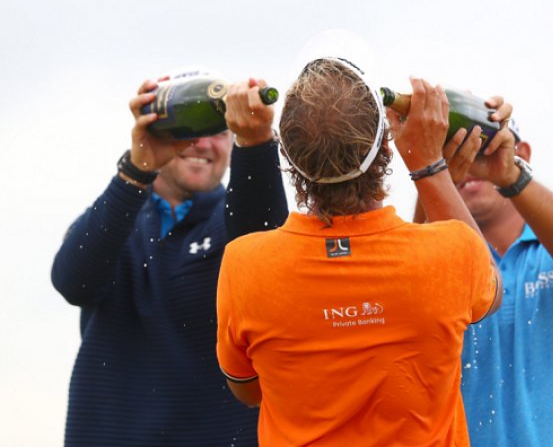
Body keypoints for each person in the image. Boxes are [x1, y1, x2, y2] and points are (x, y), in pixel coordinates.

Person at [216, 57, 512, 446]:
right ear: (386, 146)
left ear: (288, 157)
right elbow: (491, 295)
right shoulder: (451, 252)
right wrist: (429, 165)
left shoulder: (245, 265)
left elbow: (249, 391)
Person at [51, 70, 288, 446]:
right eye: (190, 130)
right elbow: (72, 281)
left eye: (219, 130)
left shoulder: (235, 220)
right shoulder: (116, 217)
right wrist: (137, 167)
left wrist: (257, 143)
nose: (202, 144)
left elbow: (267, 252)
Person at [415, 115, 553, 445]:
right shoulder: (450, 267)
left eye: (480, 144)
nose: (468, 161)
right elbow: (411, 293)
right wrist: (429, 172)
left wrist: (510, 175)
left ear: (522, 153)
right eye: (452, 149)